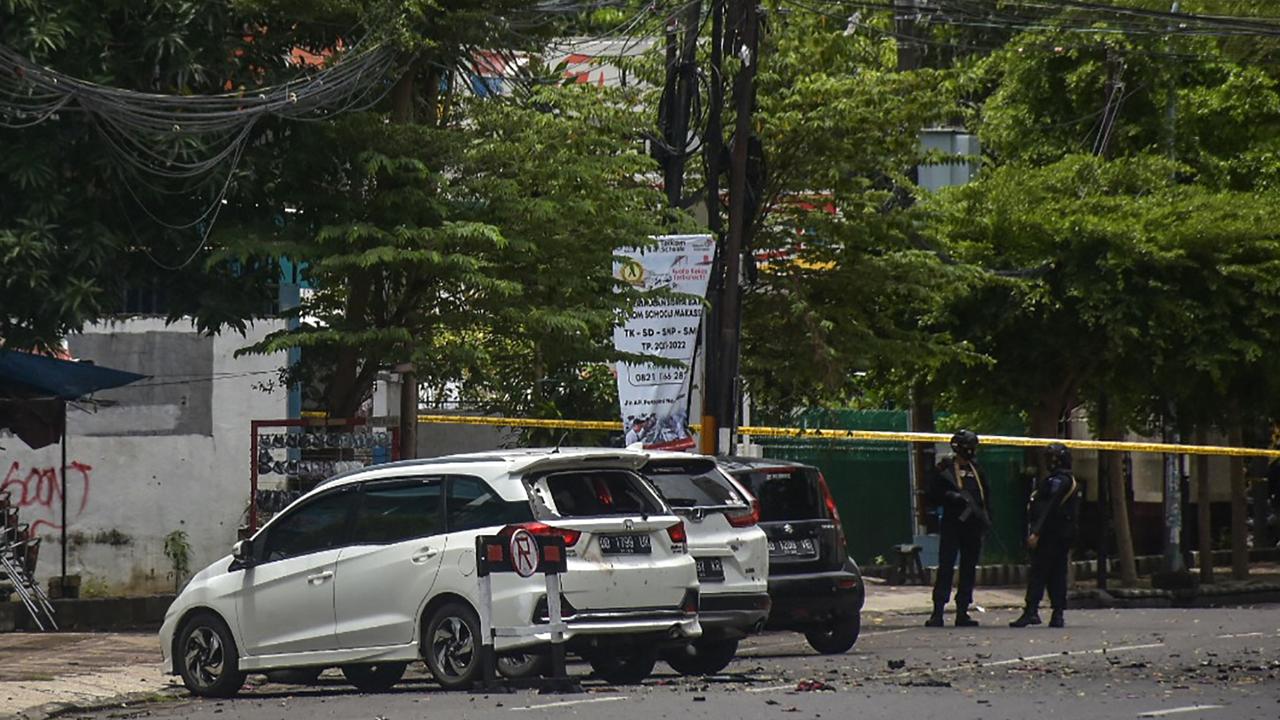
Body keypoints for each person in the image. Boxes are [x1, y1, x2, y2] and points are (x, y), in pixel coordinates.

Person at [1010, 442, 1082, 629]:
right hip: (1061, 535)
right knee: (1057, 574)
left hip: (1050, 535)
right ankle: (1057, 614)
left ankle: (1031, 610)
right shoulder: (1067, 480)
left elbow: (1049, 508)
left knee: (1040, 573)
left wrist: (1036, 532)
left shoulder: (1058, 481)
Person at [926, 429, 992, 628]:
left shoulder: (976, 469)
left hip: (972, 525)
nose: (971, 451)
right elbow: (932, 494)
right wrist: (951, 497)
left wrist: (986, 519)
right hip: (953, 523)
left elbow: (986, 497)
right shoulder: (945, 468)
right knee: (946, 567)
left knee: (968, 568)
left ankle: (962, 610)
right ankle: (938, 611)